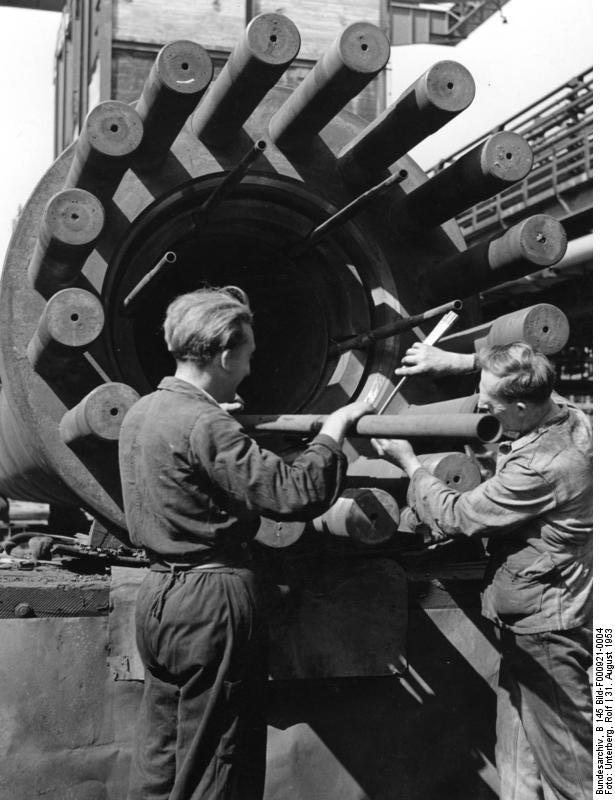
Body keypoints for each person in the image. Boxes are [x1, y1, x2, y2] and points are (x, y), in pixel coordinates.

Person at [119, 285, 372, 800]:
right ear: (226, 355)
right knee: (219, 761)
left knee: (163, 757)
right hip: (211, 604)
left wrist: (218, 418)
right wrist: (333, 432)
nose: (251, 366)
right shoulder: (205, 423)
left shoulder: (144, 410)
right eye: (249, 354)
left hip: (158, 598)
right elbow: (292, 493)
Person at [371, 340, 592, 800]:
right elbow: (524, 373)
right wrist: (461, 361)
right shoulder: (565, 411)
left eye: (490, 402)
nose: (481, 406)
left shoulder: (543, 466)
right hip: (546, 615)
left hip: (548, 629)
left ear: (520, 406)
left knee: (582, 769)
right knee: (518, 757)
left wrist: (410, 464)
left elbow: (458, 516)